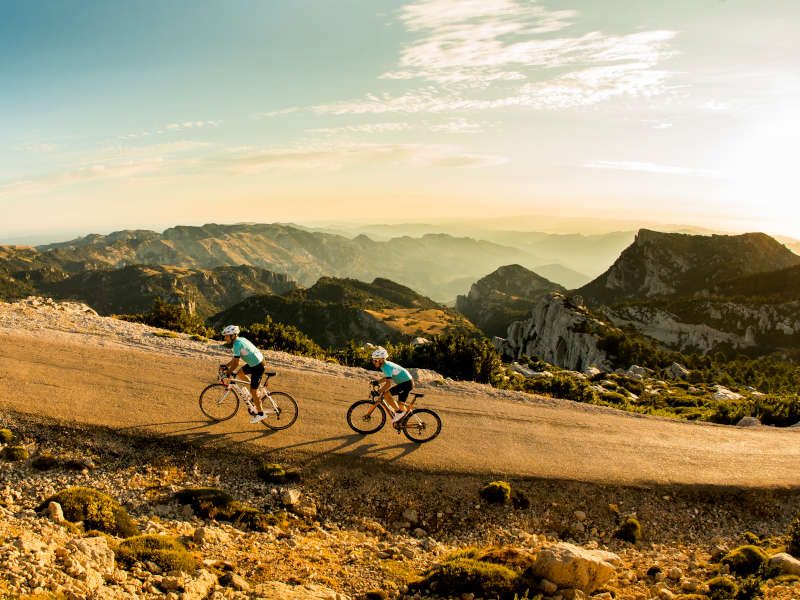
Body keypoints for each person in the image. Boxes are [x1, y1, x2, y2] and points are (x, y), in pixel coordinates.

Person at [221, 325, 268, 424]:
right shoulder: (239, 340)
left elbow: (236, 364)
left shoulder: (236, 345)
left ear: (233, 336)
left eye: (226, 336)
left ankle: (260, 414)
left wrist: (227, 373)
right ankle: (253, 394)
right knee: (240, 373)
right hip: (256, 362)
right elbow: (235, 359)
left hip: (258, 366)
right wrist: (226, 366)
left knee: (253, 391)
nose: (225, 338)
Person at [370, 348, 414, 423]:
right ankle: (403, 423)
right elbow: (387, 377)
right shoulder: (385, 365)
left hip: (406, 383)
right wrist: (377, 382)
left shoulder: (386, 367)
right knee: (401, 406)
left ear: (381, 360)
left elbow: (388, 384)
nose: (374, 362)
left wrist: (378, 392)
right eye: (373, 360)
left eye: (375, 360)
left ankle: (399, 413)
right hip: (406, 383)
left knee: (386, 395)